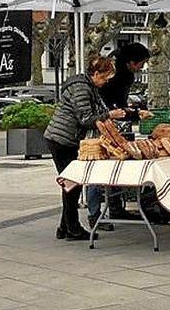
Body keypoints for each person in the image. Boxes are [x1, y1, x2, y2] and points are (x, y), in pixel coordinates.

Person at [45, 56, 125, 241]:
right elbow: (86, 118)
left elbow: (96, 111)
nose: (105, 82)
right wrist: (109, 115)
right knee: (72, 185)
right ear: (95, 73)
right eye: (105, 78)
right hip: (62, 140)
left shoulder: (89, 86)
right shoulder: (81, 88)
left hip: (67, 139)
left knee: (71, 184)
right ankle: (72, 228)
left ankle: (65, 227)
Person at [87, 43, 152, 230]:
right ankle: (94, 214)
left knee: (116, 168)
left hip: (114, 123)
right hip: (101, 126)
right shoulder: (113, 77)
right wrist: (131, 113)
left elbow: (120, 104)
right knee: (97, 171)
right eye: (142, 63)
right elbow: (109, 107)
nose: (142, 68)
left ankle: (115, 207)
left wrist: (133, 113)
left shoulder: (125, 75)